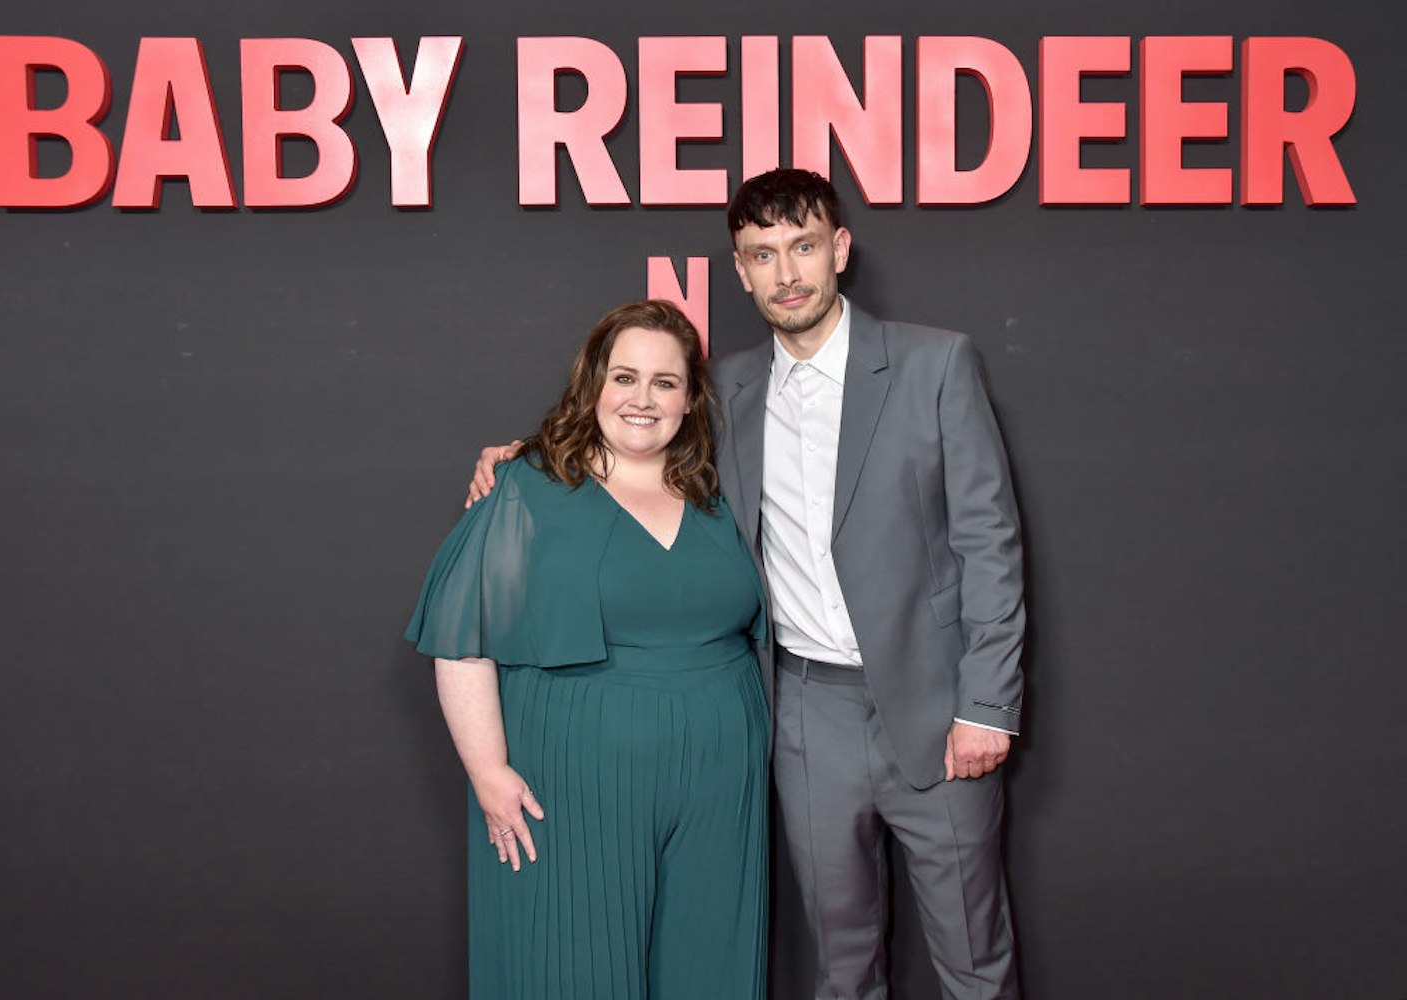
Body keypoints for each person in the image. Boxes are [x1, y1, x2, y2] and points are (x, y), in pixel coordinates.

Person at [470, 169, 1025, 1000]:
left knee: (973, 959)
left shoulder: (934, 364)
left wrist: (987, 704)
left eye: (802, 247)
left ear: (838, 250)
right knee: (841, 963)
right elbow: (630, 424)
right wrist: (526, 455)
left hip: (936, 707)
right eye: (762, 255)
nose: (786, 273)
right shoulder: (726, 387)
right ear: (740, 271)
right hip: (803, 712)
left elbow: (990, 541)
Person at [407, 300, 770, 1000]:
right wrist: (487, 770)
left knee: (709, 968)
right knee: (572, 965)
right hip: (571, 776)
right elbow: (462, 640)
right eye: (624, 377)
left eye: (665, 382)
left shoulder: (721, 490)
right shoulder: (526, 487)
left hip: (723, 774)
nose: (643, 399)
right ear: (593, 386)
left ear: (691, 397)